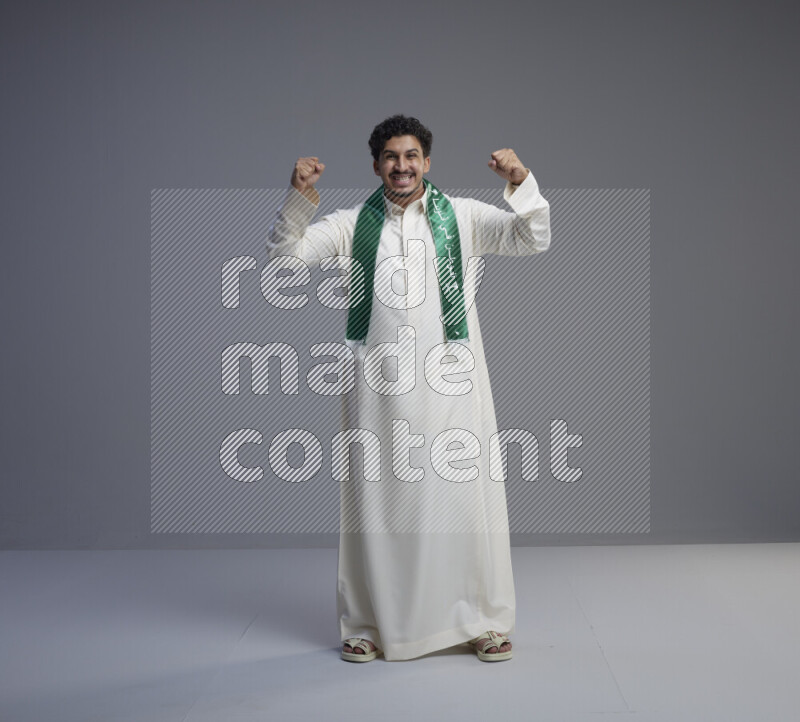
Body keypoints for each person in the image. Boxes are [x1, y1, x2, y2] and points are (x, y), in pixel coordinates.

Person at [266, 114, 551, 662]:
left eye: (412, 155)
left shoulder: (462, 217)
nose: (402, 166)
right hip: (378, 389)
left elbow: (532, 237)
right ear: (377, 166)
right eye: (392, 157)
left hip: (452, 385)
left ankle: (482, 621)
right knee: (378, 503)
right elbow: (284, 260)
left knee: (463, 501)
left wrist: (520, 181)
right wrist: (299, 199)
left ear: (427, 162)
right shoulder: (353, 225)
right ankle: (370, 624)